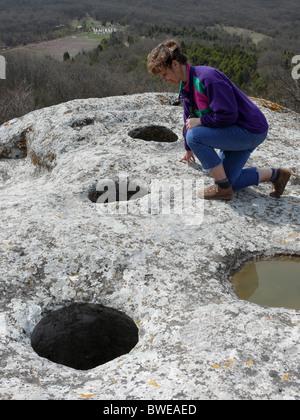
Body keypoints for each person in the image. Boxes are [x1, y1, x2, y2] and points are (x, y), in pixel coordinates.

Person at [147, 40, 291, 200]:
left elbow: (228, 115)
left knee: (195, 137)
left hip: (249, 130)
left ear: (174, 64)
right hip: (234, 130)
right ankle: (277, 175)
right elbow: (188, 117)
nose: (164, 79)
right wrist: (188, 148)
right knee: (229, 179)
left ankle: (222, 189)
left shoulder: (206, 78)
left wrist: (199, 125)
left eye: (164, 74)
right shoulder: (188, 86)